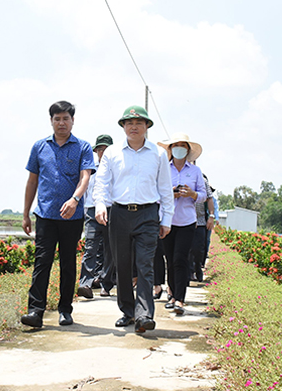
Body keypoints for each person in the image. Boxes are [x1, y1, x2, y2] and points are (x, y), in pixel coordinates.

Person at [93, 105, 173, 333]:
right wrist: (100, 205)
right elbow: (102, 182)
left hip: (148, 214)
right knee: (123, 266)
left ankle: (144, 314)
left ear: (147, 126)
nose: (134, 127)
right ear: (123, 127)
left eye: (139, 123)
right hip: (119, 214)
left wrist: (166, 218)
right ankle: (128, 311)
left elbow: (165, 188)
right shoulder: (112, 152)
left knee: (145, 265)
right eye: (129, 123)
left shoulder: (158, 154)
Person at [21, 101, 95, 328]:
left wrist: (75, 200)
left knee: (67, 263)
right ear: (51, 121)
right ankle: (35, 311)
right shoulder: (39, 147)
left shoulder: (82, 147)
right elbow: (32, 180)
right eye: (57, 119)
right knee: (41, 262)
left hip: (71, 217)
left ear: (73, 120)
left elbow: (85, 177)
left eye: (65, 118)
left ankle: (65, 309)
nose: (61, 123)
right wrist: (25, 213)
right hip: (45, 215)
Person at [157, 133, 206, 315]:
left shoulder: (195, 171)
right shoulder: (163, 169)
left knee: (180, 258)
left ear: (187, 150)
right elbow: (156, 193)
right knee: (169, 258)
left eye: (182, 145)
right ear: (170, 150)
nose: (178, 148)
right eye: (175, 145)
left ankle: (180, 298)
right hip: (167, 220)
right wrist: (171, 193)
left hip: (186, 221)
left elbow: (203, 195)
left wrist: (191, 194)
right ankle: (171, 294)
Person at [78, 134, 115, 298]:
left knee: (109, 249)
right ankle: (85, 283)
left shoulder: (117, 169)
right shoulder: (90, 168)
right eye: (99, 149)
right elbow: (84, 189)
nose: (102, 151)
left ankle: (105, 284)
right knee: (90, 247)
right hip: (92, 211)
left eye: (105, 148)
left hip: (111, 210)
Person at [189, 172, 215, 282]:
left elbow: (210, 198)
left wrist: (211, 216)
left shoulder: (203, 181)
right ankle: (189, 273)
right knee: (187, 250)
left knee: (198, 249)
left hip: (200, 222)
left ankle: (197, 269)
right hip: (185, 220)